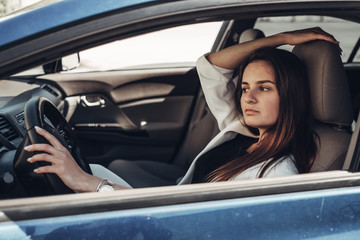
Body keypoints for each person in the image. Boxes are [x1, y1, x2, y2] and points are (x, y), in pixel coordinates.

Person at [25, 27, 340, 192]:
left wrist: (87, 183)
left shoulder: (274, 175)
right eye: (245, 88)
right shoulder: (242, 128)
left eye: (264, 88)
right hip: (169, 200)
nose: (248, 98)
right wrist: (280, 39)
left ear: (290, 97)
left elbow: (187, 225)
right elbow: (212, 67)